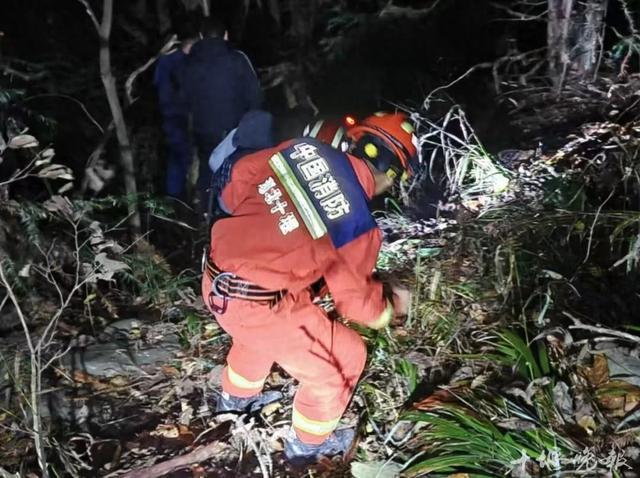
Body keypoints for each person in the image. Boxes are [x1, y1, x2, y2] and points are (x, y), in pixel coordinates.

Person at [201, 111, 417, 465]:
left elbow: (233, 186)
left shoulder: (299, 150)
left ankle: (234, 402)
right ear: (391, 177)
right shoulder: (358, 224)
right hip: (258, 307)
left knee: (259, 336)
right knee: (345, 356)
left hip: (215, 282)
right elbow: (358, 308)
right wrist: (392, 303)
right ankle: (308, 446)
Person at [179, 16, 262, 211]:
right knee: (234, 172)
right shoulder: (238, 59)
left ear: (200, 36)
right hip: (234, 132)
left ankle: (205, 216)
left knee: (208, 169)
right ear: (226, 35)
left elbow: (182, 98)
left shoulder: (187, 64)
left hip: (202, 129)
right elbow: (255, 95)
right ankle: (233, 214)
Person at [154, 21, 199, 200]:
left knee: (179, 154)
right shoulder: (175, 61)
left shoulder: (167, 60)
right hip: (176, 114)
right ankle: (178, 196)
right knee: (181, 154)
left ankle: (177, 195)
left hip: (173, 113)